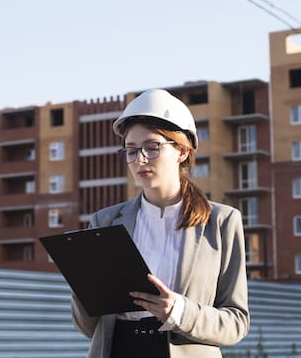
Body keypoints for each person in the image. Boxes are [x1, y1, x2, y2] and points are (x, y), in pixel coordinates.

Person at [72, 88, 250, 358]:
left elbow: (236, 323)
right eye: (131, 150)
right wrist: (85, 287)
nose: (140, 159)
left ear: (182, 151)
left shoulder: (222, 222)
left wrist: (179, 310)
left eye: (152, 147)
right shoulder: (104, 222)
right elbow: (87, 327)